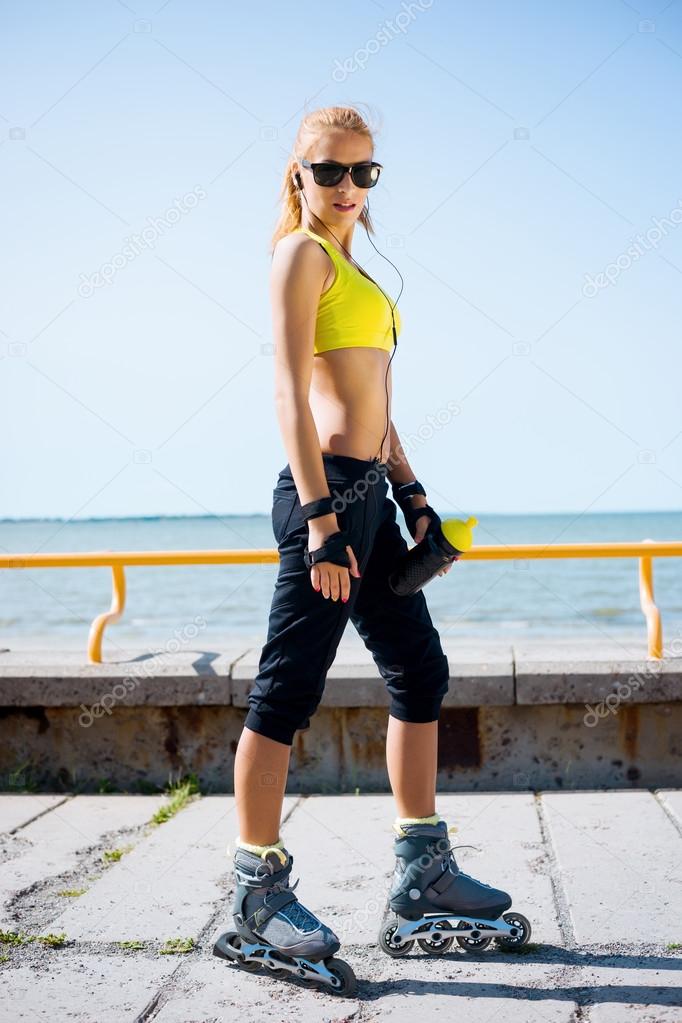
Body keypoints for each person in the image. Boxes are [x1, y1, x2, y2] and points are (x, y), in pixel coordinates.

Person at [213, 105, 515, 995]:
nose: (347, 188)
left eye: (363, 173)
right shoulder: (300, 254)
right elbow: (287, 396)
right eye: (330, 171)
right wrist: (320, 520)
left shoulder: (356, 268)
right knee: (285, 689)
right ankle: (255, 895)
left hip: (373, 498)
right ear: (298, 173)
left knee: (420, 672)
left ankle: (420, 872)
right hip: (325, 499)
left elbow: (375, 402)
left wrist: (414, 494)